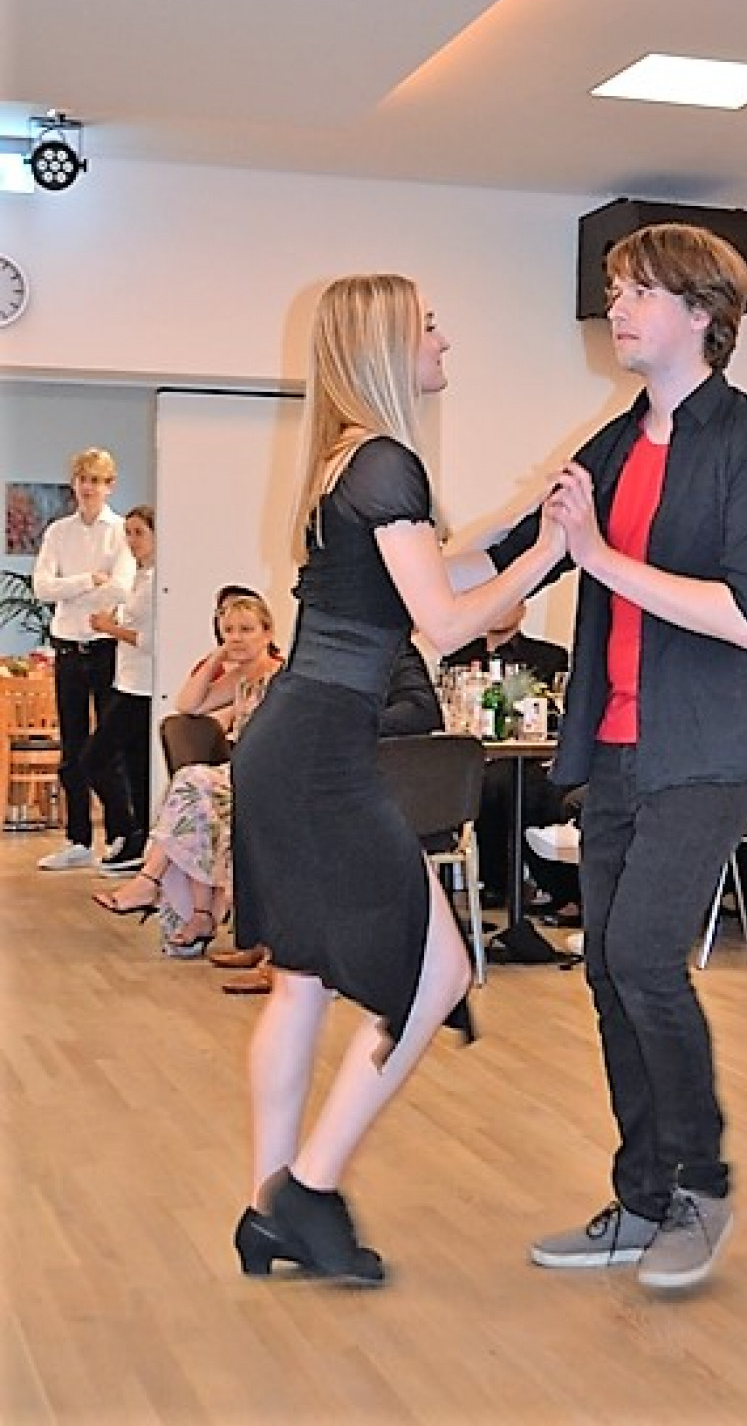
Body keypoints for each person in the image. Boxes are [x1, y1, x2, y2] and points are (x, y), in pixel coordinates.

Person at [458, 223, 747, 1290]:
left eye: (639, 290)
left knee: (645, 954)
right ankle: (644, 1195)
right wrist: (389, 552)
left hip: (707, 746)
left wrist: (601, 554)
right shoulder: (614, 443)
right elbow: (520, 549)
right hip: (613, 747)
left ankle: (701, 1184)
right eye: (614, 289)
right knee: (609, 965)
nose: (615, 307)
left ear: (703, 313)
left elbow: (744, 617)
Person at [228, 273, 564, 1284]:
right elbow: (448, 623)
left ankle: (267, 1209)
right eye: (428, 325)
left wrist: (522, 520)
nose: (442, 340)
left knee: (301, 982)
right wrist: (550, 551)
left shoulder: (345, 461)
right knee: (438, 975)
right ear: (383, 343)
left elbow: (432, 567)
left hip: (295, 746)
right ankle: (309, 1189)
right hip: (321, 756)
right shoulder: (386, 460)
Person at [211, 638, 445, 994]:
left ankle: (287, 959)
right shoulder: (324, 652)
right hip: (323, 769)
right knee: (257, 806)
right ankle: (261, 940)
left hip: (362, 785)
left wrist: (351, 723)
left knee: (290, 827)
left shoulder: (393, 650)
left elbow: (422, 711)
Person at [92, 594, 283, 954]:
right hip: (241, 773)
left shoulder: (281, 676)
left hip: (272, 776)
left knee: (192, 784)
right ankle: (199, 914)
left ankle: (151, 882)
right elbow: (188, 704)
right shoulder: (239, 677)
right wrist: (217, 658)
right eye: (228, 631)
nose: (236, 638)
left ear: (267, 632)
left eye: (246, 630)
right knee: (194, 801)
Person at [33, 447, 135, 870]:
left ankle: (121, 835)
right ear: (74, 483)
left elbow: (122, 588)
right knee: (72, 746)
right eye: (82, 480)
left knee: (109, 746)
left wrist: (71, 589)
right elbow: (42, 587)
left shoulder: (122, 531)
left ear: (109, 485)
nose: (88, 488)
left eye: (96, 480)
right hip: (68, 649)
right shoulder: (58, 532)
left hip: (107, 648)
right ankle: (77, 840)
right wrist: (88, 580)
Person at [444, 601, 572, 912]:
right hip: (477, 757)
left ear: (523, 608)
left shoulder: (549, 656)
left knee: (521, 787)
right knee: (485, 782)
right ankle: (496, 884)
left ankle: (549, 886)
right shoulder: (458, 657)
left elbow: (556, 713)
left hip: (532, 758)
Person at [81, 506, 156, 875]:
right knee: (134, 766)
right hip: (125, 681)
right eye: (128, 532)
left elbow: (152, 640)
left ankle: (130, 830)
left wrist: (110, 628)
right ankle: (137, 837)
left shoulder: (159, 582)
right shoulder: (139, 578)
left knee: (94, 758)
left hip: (143, 688)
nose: (132, 540)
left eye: (139, 532)